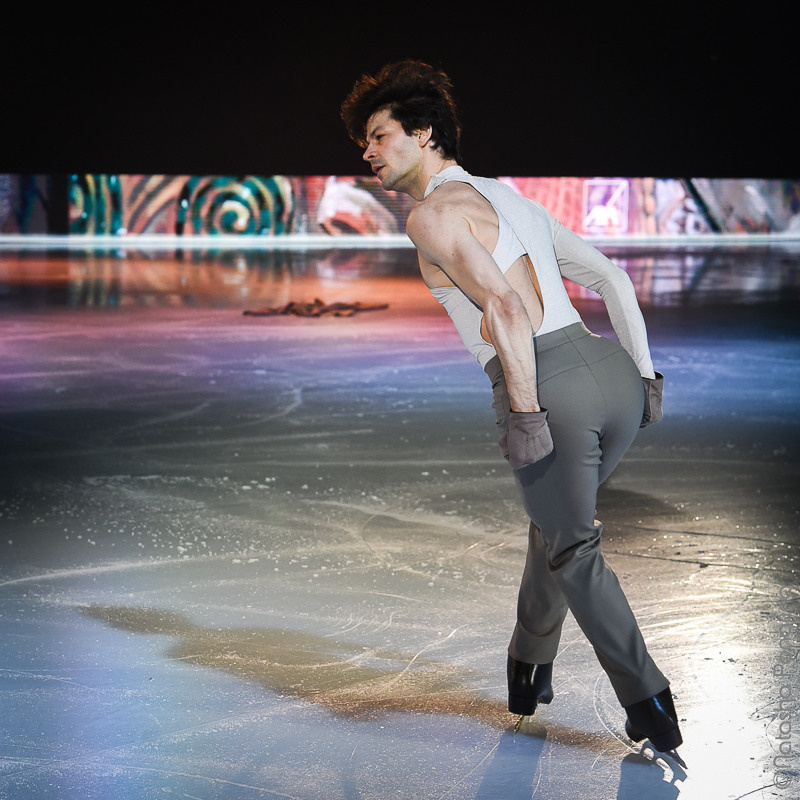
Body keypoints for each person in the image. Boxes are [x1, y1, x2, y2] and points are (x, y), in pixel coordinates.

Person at [340, 60, 682, 753]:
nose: (368, 154)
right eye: (364, 144)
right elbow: (611, 277)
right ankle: (528, 667)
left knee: (573, 548)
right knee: (554, 526)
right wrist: (645, 376)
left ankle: (651, 703)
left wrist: (525, 413)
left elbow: (503, 305)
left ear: (424, 133)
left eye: (379, 137)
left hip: (549, 390)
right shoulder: (507, 196)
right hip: (611, 377)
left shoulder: (431, 216)